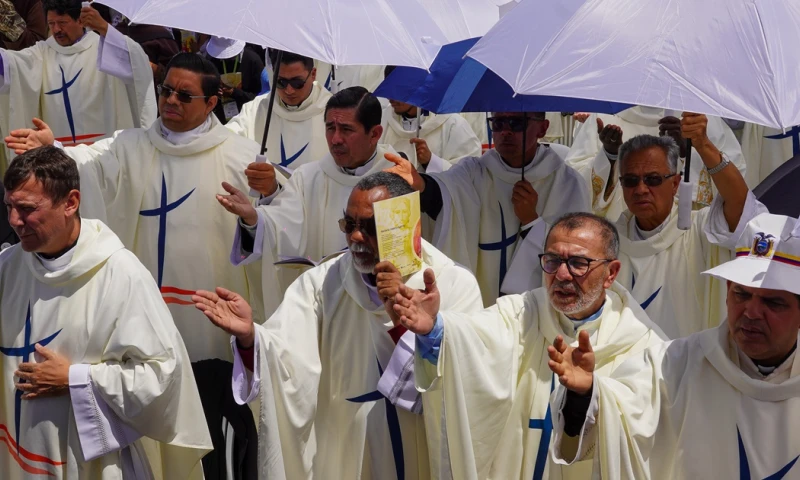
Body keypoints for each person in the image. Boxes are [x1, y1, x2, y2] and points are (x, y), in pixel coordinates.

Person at [194, 171, 484, 479]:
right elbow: (285, 360)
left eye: (369, 227)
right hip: (343, 454)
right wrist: (252, 338)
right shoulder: (322, 284)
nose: (356, 237)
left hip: (421, 453)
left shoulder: (452, 284)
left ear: (402, 225)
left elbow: (470, 382)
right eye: (349, 225)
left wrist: (416, 328)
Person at [5, 53, 263, 363]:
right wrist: (54, 150)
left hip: (209, 304)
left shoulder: (241, 156)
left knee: (210, 380)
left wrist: (264, 203)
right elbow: (91, 165)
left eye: (184, 95)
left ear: (210, 103)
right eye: (165, 90)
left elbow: (271, 233)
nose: (170, 100)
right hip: (142, 297)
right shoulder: (130, 145)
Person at [388, 212, 666, 479]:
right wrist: (435, 328)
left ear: (611, 273)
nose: (562, 275)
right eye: (553, 261)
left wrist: (589, 394)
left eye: (578, 263)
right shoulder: (522, 312)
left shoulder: (641, 342)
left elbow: (646, 430)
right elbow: (473, 341)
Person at [0, 146, 211, 479]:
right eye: (9, 207)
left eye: (26, 209)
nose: (14, 221)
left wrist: (75, 379)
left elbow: (162, 377)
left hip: (86, 463)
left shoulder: (119, 274)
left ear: (70, 202)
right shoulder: (9, 267)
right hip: (13, 451)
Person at [548, 212, 800, 479]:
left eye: (772, 302)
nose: (751, 311)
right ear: (727, 292)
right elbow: (617, 412)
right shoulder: (675, 364)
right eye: (741, 294)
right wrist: (584, 393)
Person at [220, 86, 421, 315]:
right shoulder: (308, 177)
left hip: (381, 306)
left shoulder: (396, 177)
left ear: (374, 133)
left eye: (346, 129)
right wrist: (254, 218)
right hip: (327, 306)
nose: (335, 139)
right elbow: (281, 224)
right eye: (330, 128)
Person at [386, 111, 590, 306]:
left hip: (538, 310)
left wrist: (532, 221)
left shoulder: (567, 183)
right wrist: (420, 182)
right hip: (484, 302)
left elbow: (577, 256)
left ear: (542, 128)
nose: (505, 131)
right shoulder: (475, 171)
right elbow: (445, 194)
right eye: (498, 123)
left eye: (517, 124)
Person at [609, 116, 766, 339]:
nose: (641, 189)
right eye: (631, 180)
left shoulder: (701, 229)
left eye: (653, 179)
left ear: (675, 184)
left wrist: (702, 145)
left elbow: (740, 205)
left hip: (687, 367)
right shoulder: (609, 239)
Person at [0, 0, 156, 171]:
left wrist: (104, 27)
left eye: (62, 23)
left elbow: (137, 64)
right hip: (57, 159)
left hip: (102, 157)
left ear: (80, 21)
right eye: (51, 23)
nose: (57, 29)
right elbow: (12, 65)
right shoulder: (42, 53)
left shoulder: (105, 48)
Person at [566, 106, 746, 221]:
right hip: (621, 233)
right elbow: (573, 184)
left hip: (687, 236)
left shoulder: (699, 117)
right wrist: (610, 156)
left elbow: (737, 191)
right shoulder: (606, 114)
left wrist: (687, 152)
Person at [226, 49, 331, 169]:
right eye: (281, 82)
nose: (289, 90)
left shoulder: (332, 113)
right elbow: (227, 141)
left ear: (313, 74)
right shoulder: (256, 109)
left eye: (297, 83)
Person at [380, 66, 481, 172]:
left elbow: (469, 175)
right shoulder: (382, 120)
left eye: (397, 91)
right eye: (388, 89)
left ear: (418, 87)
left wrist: (431, 161)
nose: (390, 98)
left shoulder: (453, 125)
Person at [205, 36, 264, 124]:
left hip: (249, 119)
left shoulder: (252, 60)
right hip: (220, 120)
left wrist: (234, 93)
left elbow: (261, 98)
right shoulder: (211, 61)